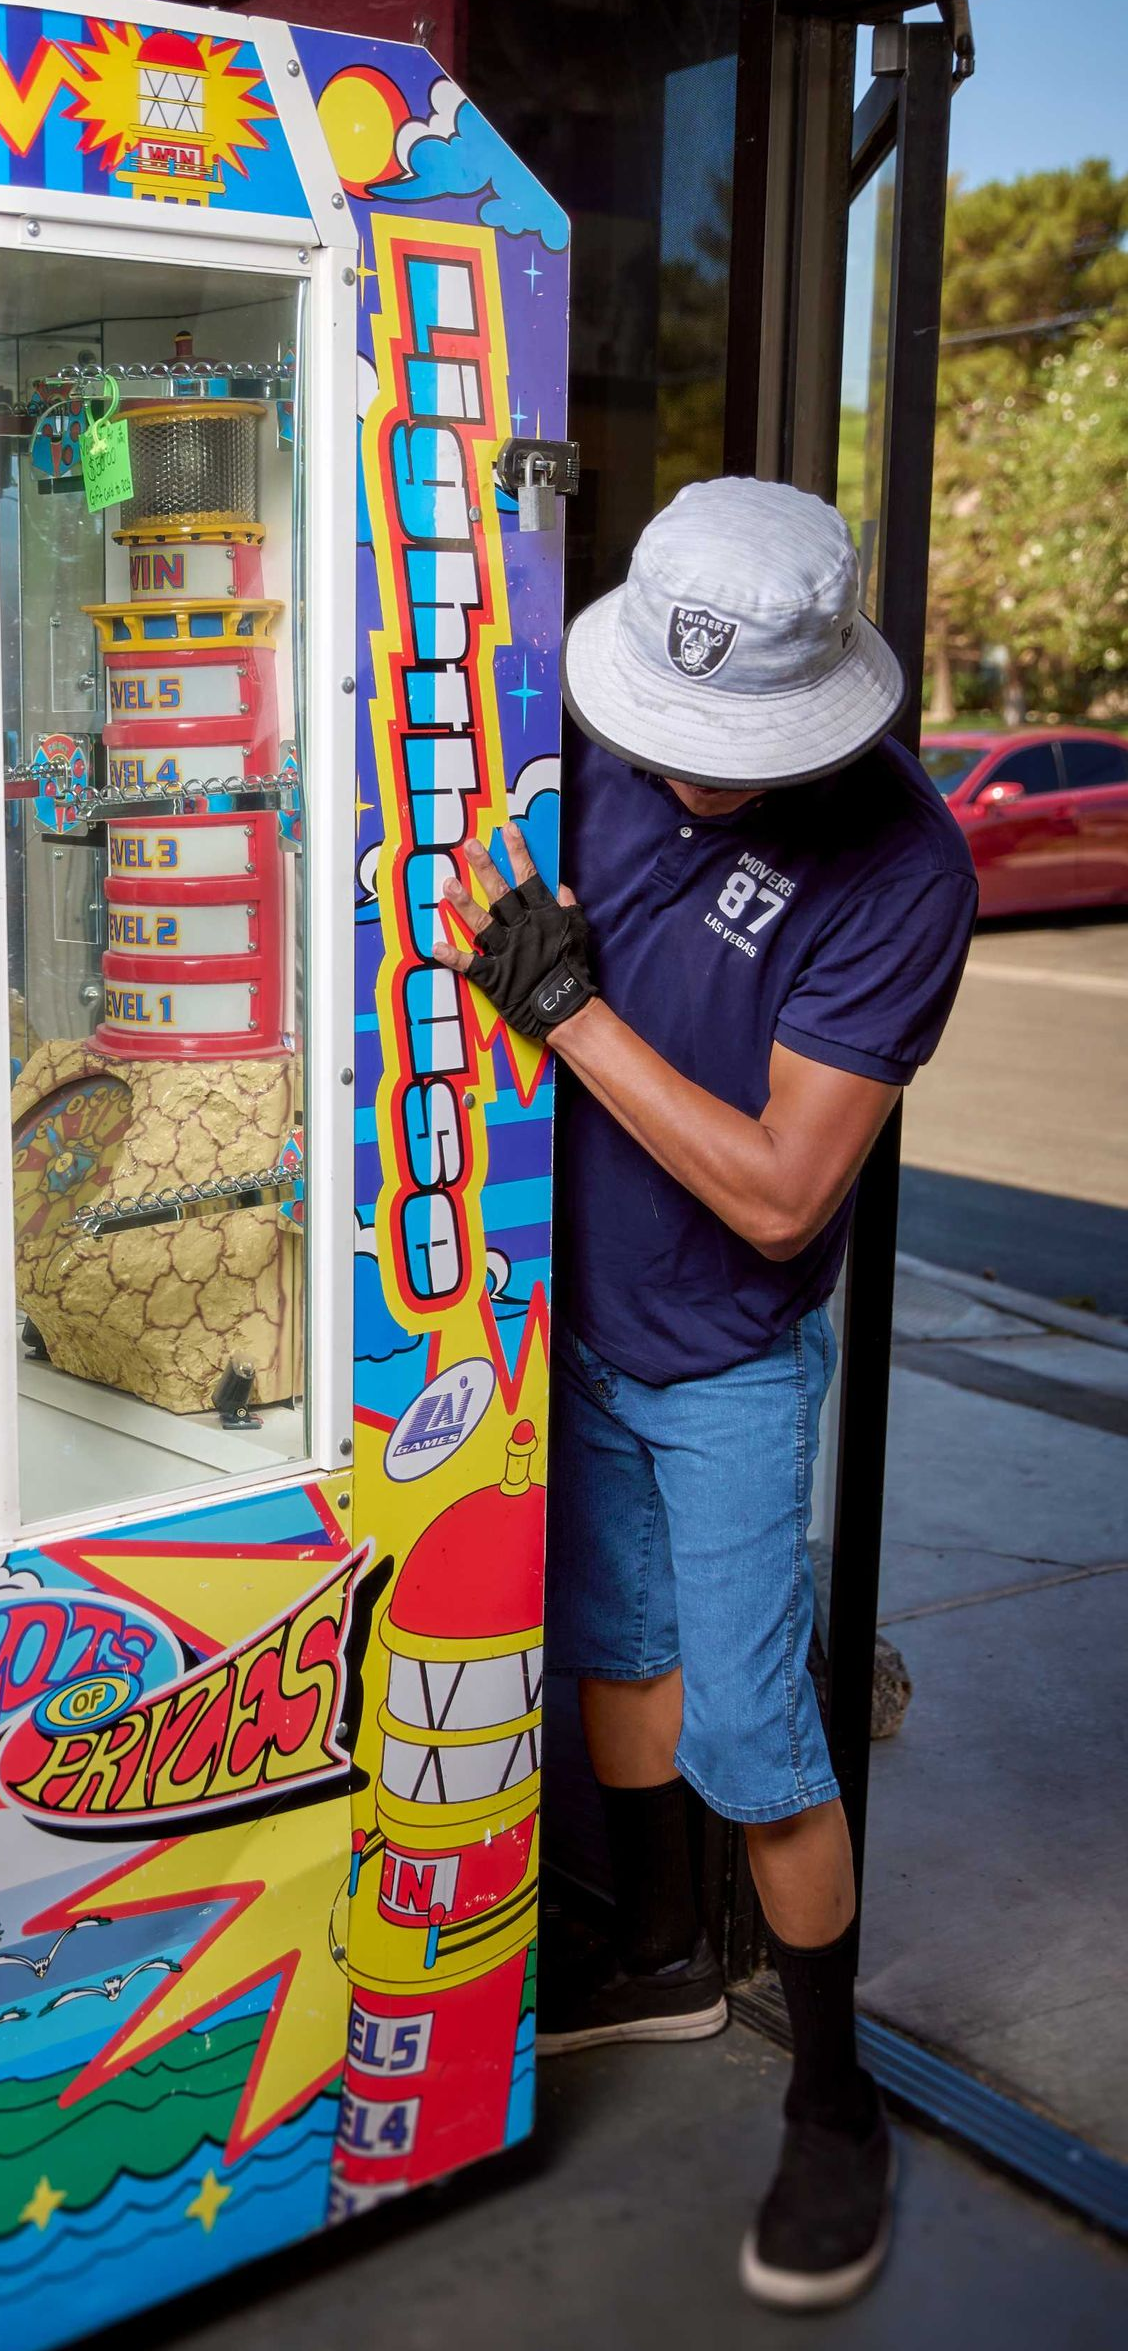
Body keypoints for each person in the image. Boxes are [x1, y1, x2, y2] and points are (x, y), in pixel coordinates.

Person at [439, 478, 975, 2312]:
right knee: (619, 1653)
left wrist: (564, 1013)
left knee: (758, 1734)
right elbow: (469, 902)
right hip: (553, 1311)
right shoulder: (582, 743)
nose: (675, 774)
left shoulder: (907, 870)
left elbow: (777, 1186)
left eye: (719, 751)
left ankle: (836, 2105)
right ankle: (659, 1948)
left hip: (731, 1351)